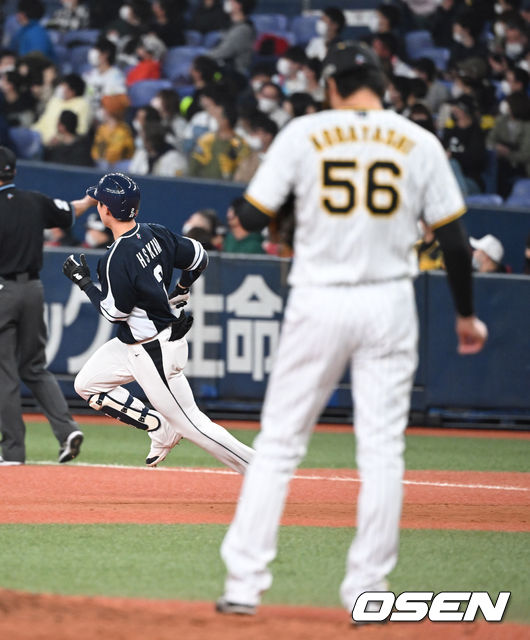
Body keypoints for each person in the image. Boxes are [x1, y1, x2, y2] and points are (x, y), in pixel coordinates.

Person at [215, 41, 487, 619]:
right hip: (390, 301)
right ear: (380, 82)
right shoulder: (419, 141)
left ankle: (244, 583)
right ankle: (370, 590)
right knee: (384, 451)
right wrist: (465, 314)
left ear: (332, 84)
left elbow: (248, 216)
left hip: (320, 297)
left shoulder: (304, 133)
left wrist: (280, 206)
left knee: (280, 444)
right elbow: (458, 242)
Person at [62, 172, 254, 471]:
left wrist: (84, 281)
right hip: (138, 342)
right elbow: (199, 257)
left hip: (154, 351)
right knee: (87, 384)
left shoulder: (115, 257)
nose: (99, 205)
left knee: (194, 425)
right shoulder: (155, 232)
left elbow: (114, 313)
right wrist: (181, 288)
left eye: (100, 201)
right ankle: (158, 427)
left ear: (106, 210)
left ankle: (258, 469)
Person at [0, 146, 95, 465]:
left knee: (5, 373)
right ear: (12, 171)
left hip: (3, 291)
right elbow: (72, 210)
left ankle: (13, 452)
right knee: (35, 366)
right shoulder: (34, 201)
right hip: (34, 289)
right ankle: (66, 429)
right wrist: (93, 198)